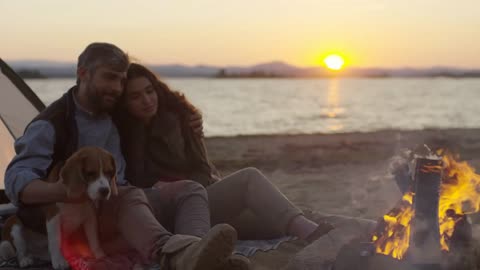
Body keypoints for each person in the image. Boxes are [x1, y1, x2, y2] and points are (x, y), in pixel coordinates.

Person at [4, 42, 247, 270]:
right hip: (78, 217)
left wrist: (192, 119)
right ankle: (172, 254)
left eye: (121, 80)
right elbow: (16, 178)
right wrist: (62, 191)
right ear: (82, 73)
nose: (117, 88)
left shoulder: (113, 111)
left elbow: (156, 105)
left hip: (118, 203)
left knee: (189, 189)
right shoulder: (53, 123)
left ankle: (196, 253)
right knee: (129, 195)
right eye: (109, 77)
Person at [115, 63, 334, 246]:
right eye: (135, 96)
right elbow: (134, 181)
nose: (146, 100)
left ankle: (349, 231)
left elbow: (202, 167)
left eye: (149, 91)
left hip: (203, 200)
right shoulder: (121, 134)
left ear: (157, 90)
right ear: (124, 103)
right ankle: (314, 235)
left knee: (280, 218)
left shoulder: (182, 118)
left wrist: (195, 187)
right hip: (166, 214)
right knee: (250, 178)